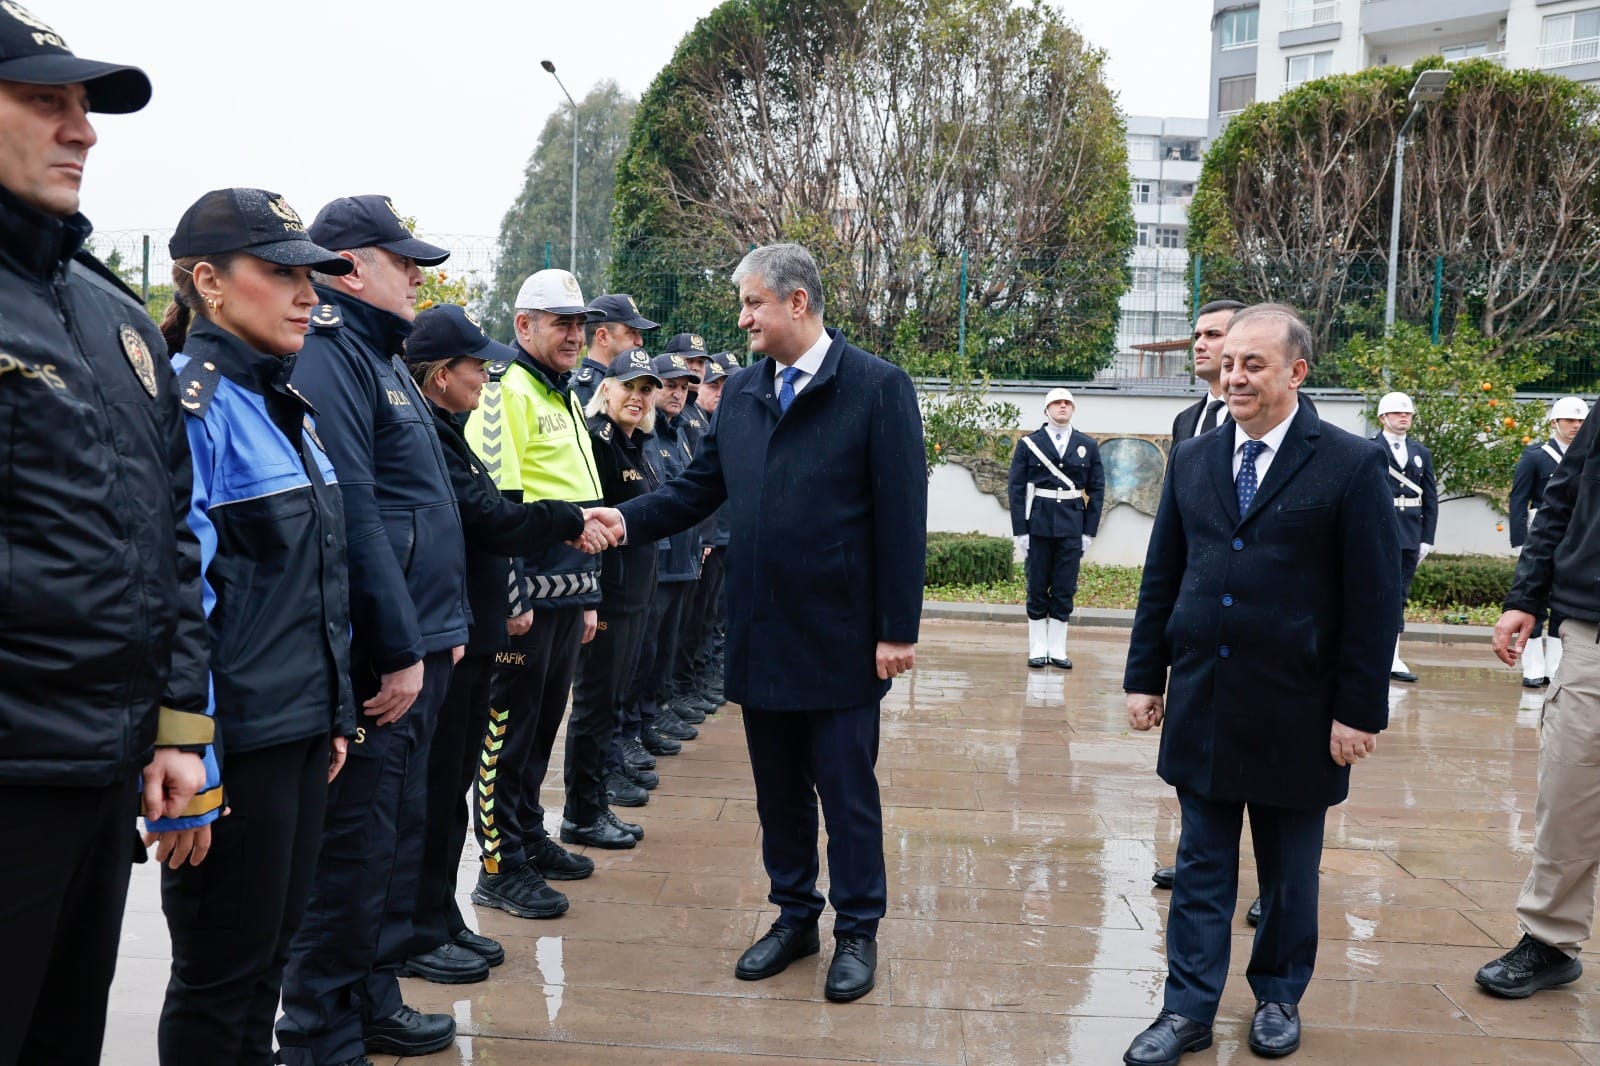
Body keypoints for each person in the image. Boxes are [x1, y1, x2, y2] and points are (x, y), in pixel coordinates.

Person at [591, 242, 927, 1004]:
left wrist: (896, 630)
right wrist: (623, 518)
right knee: (777, 791)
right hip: (761, 628)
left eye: (751, 304)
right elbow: (697, 491)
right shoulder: (742, 393)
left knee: (846, 793)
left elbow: (905, 517)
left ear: (797, 302)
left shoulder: (876, 387)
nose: (740, 317)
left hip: (842, 638)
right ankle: (794, 915)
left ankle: (859, 929)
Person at [0, 11, 211, 1063]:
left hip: (103, 771)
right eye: (46, 102)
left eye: (85, 108)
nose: (80, 129)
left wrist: (174, 727)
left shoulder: (113, 317)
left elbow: (169, 531)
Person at [1122, 303, 1399, 1064]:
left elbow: (1375, 600)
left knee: (1287, 875)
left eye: (1253, 365)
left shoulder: (1350, 462)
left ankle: (1278, 995)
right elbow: (1163, 577)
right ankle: (1186, 1012)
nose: (1234, 376)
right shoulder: (1195, 458)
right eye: (1228, 363)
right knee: (1202, 868)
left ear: (1296, 373)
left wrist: (1356, 710)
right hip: (1204, 702)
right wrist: (1145, 675)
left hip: (1300, 712)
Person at [154, 188, 357, 1065]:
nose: (308, 293)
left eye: (309, 273)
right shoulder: (189, 409)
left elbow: (313, 582)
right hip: (234, 743)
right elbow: (175, 597)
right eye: (281, 273)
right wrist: (189, 760)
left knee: (269, 960)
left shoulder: (286, 405)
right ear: (210, 282)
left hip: (300, 732)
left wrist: (335, 709)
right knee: (219, 977)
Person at [276, 195, 469, 1064]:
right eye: (405, 264)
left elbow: (420, 510)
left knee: (393, 841)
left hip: (423, 645)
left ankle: (373, 996)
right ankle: (320, 1030)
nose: (419, 279)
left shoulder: (381, 356)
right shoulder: (330, 356)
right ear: (350, 266)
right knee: (351, 852)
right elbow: (355, 515)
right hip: (382, 661)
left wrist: (441, 626)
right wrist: (396, 646)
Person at [400, 303, 602, 984]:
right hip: (472, 622)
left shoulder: (447, 428)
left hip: (482, 619)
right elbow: (491, 514)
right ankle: (470, 887)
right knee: (463, 767)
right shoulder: (458, 422)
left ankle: (439, 915)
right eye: (473, 366)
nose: (485, 375)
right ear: (438, 375)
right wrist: (567, 522)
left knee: (462, 772)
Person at [463, 269, 607, 915]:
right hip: (528, 600)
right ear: (524, 326)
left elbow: (578, 496)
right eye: (561, 323)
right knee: (506, 735)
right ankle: (498, 865)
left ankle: (527, 836)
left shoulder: (563, 392)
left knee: (542, 728)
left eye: (580, 324)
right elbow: (498, 504)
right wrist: (512, 597)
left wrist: (588, 597)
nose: (575, 335)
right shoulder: (507, 391)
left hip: (567, 594)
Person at [1478, 399, 1600, 1000]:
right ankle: (1550, 942)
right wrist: (1525, 595)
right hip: (1593, 634)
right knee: (1570, 790)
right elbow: (1561, 501)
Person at [1152, 299, 1243, 892]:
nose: (1201, 345)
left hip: (1254, 621)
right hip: (1198, 613)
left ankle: (1276, 884)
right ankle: (1198, 859)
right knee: (1196, 752)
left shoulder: (1270, 416)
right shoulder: (1189, 422)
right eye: (1198, 335)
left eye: (1214, 334)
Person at [564, 349, 667, 849]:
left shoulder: (635, 444)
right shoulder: (600, 443)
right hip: (608, 599)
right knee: (595, 705)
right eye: (629, 386)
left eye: (646, 389)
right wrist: (590, 596)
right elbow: (586, 524)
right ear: (605, 389)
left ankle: (597, 800)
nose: (637, 397)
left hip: (634, 596)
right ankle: (582, 814)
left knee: (613, 701)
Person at [622, 351, 707, 756]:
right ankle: (630, 733)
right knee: (641, 655)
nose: (677, 393)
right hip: (657, 561)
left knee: (661, 650)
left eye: (683, 386)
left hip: (682, 560)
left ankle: (648, 719)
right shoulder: (646, 434)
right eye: (669, 385)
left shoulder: (677, 433)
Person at [1008, 388, 1104, 669]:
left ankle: (1057, 648)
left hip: (1072, 525)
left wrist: (1088, 532)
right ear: (1046, 409)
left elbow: (1097, 490)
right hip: (1038, 524)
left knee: (1064, 587)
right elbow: (1015, 489)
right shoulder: (1029, 444)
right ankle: (1038, 646)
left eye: (1067, 403)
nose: (1062, 407)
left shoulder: (1087, 444)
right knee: (1037, 586)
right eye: (1056, 403)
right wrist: (1020, 531)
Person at [1508, 396, 1588, 688]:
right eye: (1570, 420)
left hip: (1574, 541)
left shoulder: (1589, 455)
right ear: (1554, 422)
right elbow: (1518, 500)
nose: (1576, 426)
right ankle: (1531, 665)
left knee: (1563, 604)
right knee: (1535, 601)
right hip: (1539, 539)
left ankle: (1555, 664)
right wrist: (1519, 541)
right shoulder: (1535, 457)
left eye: (1581, 421)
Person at [1372, 391, 1437, 684]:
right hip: (1378, 531)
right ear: (1383, 417)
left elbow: (1431, 499)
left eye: (1408, 414)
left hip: (1410, 533)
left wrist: (1427, 538)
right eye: (1398, 413)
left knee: (1399, 596)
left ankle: (1392, 656)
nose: (1403, 418)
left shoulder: (1421, 453)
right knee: (1373, 593)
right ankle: (1371, 653)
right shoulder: (1367, 448)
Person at [1170, 300, 1245, 445]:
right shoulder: (1184, 420)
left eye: (1213, 335)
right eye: (1197, 337)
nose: (1198, 346)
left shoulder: (1260, 415)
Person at [573, 292, 657, 408]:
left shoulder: (612, 382)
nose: (639, 341)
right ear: (602, 337)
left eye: (639, 333)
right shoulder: (588, 390)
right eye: (632, 332)